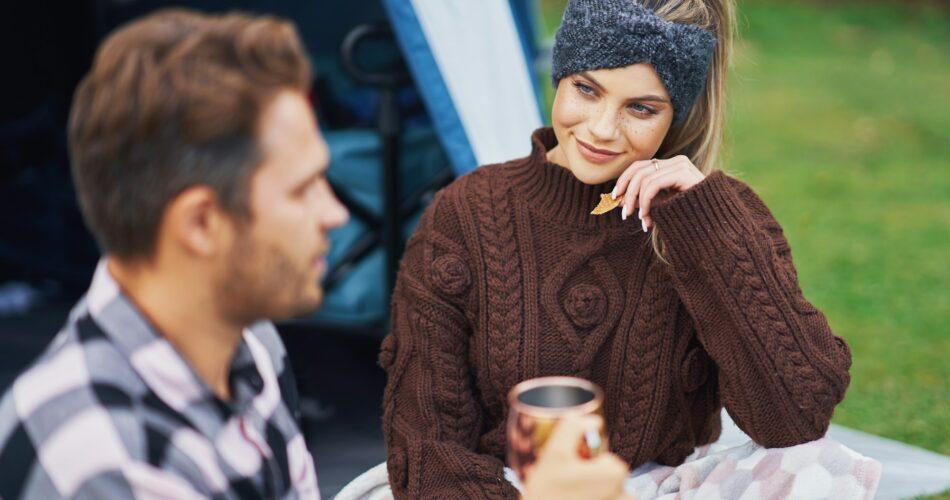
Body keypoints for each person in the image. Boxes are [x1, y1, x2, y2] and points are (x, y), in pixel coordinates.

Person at [0, 8, 627, 500]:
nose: (333, 213)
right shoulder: (102, 461)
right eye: (302, 189)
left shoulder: (246, 345)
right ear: (200, 223)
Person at [380, 0, 880, 498]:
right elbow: (426, 442)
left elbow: (797, 419)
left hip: (663, 488)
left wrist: (703, 226)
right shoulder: (467, 213)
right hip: (503, 488)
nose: (601, 129)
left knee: (822, 470)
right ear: (560, 75)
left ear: (677, 113)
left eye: (641, 108)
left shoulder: (716, 219)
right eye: (586, 89)